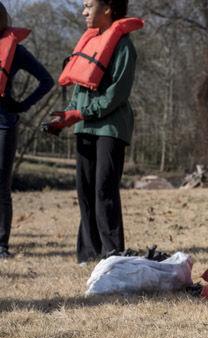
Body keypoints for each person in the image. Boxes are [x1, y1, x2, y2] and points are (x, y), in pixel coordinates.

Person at [47, 0, 141, 263]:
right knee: (85, 189)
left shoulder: (124, 46)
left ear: (108, 8)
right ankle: (88, 255)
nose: (84, 12)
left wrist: (82, 112)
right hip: (84, 126)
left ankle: (112, 254)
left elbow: (116, 95)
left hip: (110, 127)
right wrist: (67, 115)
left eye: (89, 5)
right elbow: (79, 87)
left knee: (104, 189)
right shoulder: (90, 42)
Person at [0, 2, 54, 259]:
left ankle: (1, 246)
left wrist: (22, 105)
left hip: (4, 123)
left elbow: (46, 80)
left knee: (1, 186)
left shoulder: (16, 50)